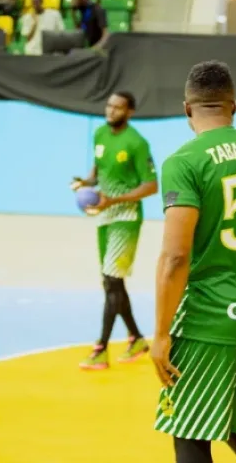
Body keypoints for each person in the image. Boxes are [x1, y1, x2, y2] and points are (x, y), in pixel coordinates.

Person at [151, 60, 236, 463]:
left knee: (189, 434)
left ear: (187, 109)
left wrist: (159, 333)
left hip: (206, 318)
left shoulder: (185, 161)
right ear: (234, 106)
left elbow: (175, 256)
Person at [74, 91, 158, 370]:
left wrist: (116, 200)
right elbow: (98, 172)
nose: (111, 111)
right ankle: (136, 337)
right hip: (104, 216)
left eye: (118, 107)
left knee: (111, 281)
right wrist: (85, 182)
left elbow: (151, 186)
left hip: (125, 217)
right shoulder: (99, 134)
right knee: (112, 282)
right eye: (109, 106)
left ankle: (101, 348)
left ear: (130, 112)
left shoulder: (137, 143)